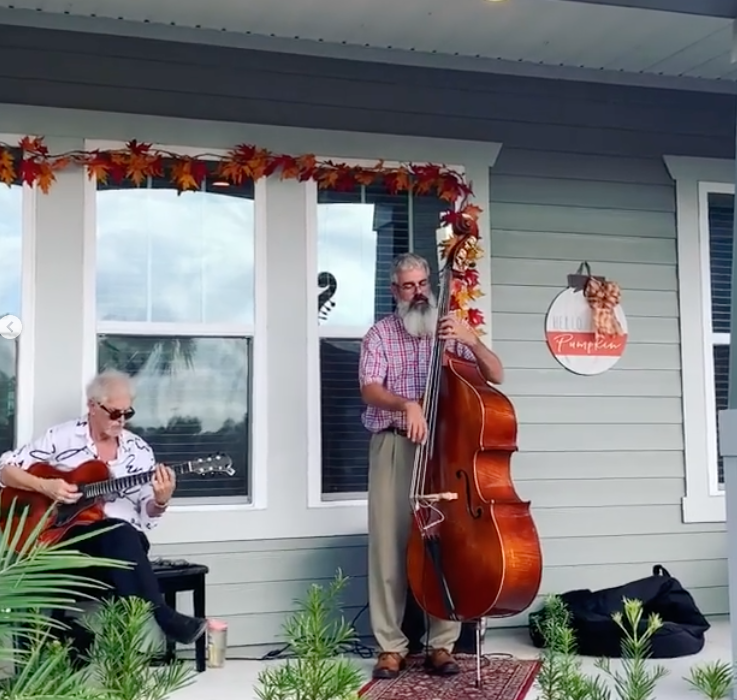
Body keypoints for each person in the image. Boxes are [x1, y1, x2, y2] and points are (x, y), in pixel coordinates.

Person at [359, 252, 504, 680]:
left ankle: (442, 643)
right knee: (389, 543)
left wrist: (472, 339)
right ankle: (391, 646)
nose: (418, 292)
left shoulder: (451, 332)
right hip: (395, 446)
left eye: (423, 283)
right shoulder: (381, 335)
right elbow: (369, 389)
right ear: (394, 291)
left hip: (446, 452)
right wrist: (407, 405)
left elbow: (497, 375)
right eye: (408, 285)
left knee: (447, 538)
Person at [0, 369, 207, 646]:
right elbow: (6, 470)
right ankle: (162, 619)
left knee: (122, 534)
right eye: (114, 413)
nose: (120, 420)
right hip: (64, 542)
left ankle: (77, 638)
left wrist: (160, 500)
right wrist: (44, 486)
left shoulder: (139, 451)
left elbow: (147, 513)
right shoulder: (62, 437)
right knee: (119, 541)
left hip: (122, 546)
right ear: (93, 406)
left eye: (127, 413)